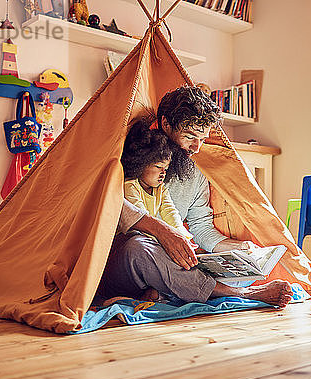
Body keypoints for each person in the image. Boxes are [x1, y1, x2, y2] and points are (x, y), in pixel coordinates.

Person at [97, 86, 293, 307]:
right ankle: (245, 294)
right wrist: (161, 232)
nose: (197, 148)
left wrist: (237, 248)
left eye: (203, 139)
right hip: (124, 263)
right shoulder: (132, 158)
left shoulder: (195, 173)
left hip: (166, 269)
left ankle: (161, 295)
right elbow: (108, 203)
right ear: (166, 125)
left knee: (199, 261)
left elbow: (201, 227)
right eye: (190, 137)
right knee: (139, 247)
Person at [121, 121, 193, 241]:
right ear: (141, 164)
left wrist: (183, 237)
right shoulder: (130, 186)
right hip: (131, 240)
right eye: (159, 167)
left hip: (148, 237)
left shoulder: (160, 189)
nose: (163, 173)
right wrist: (166, 239)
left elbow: (170, 213)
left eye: (166, 168)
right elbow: (143, 219)